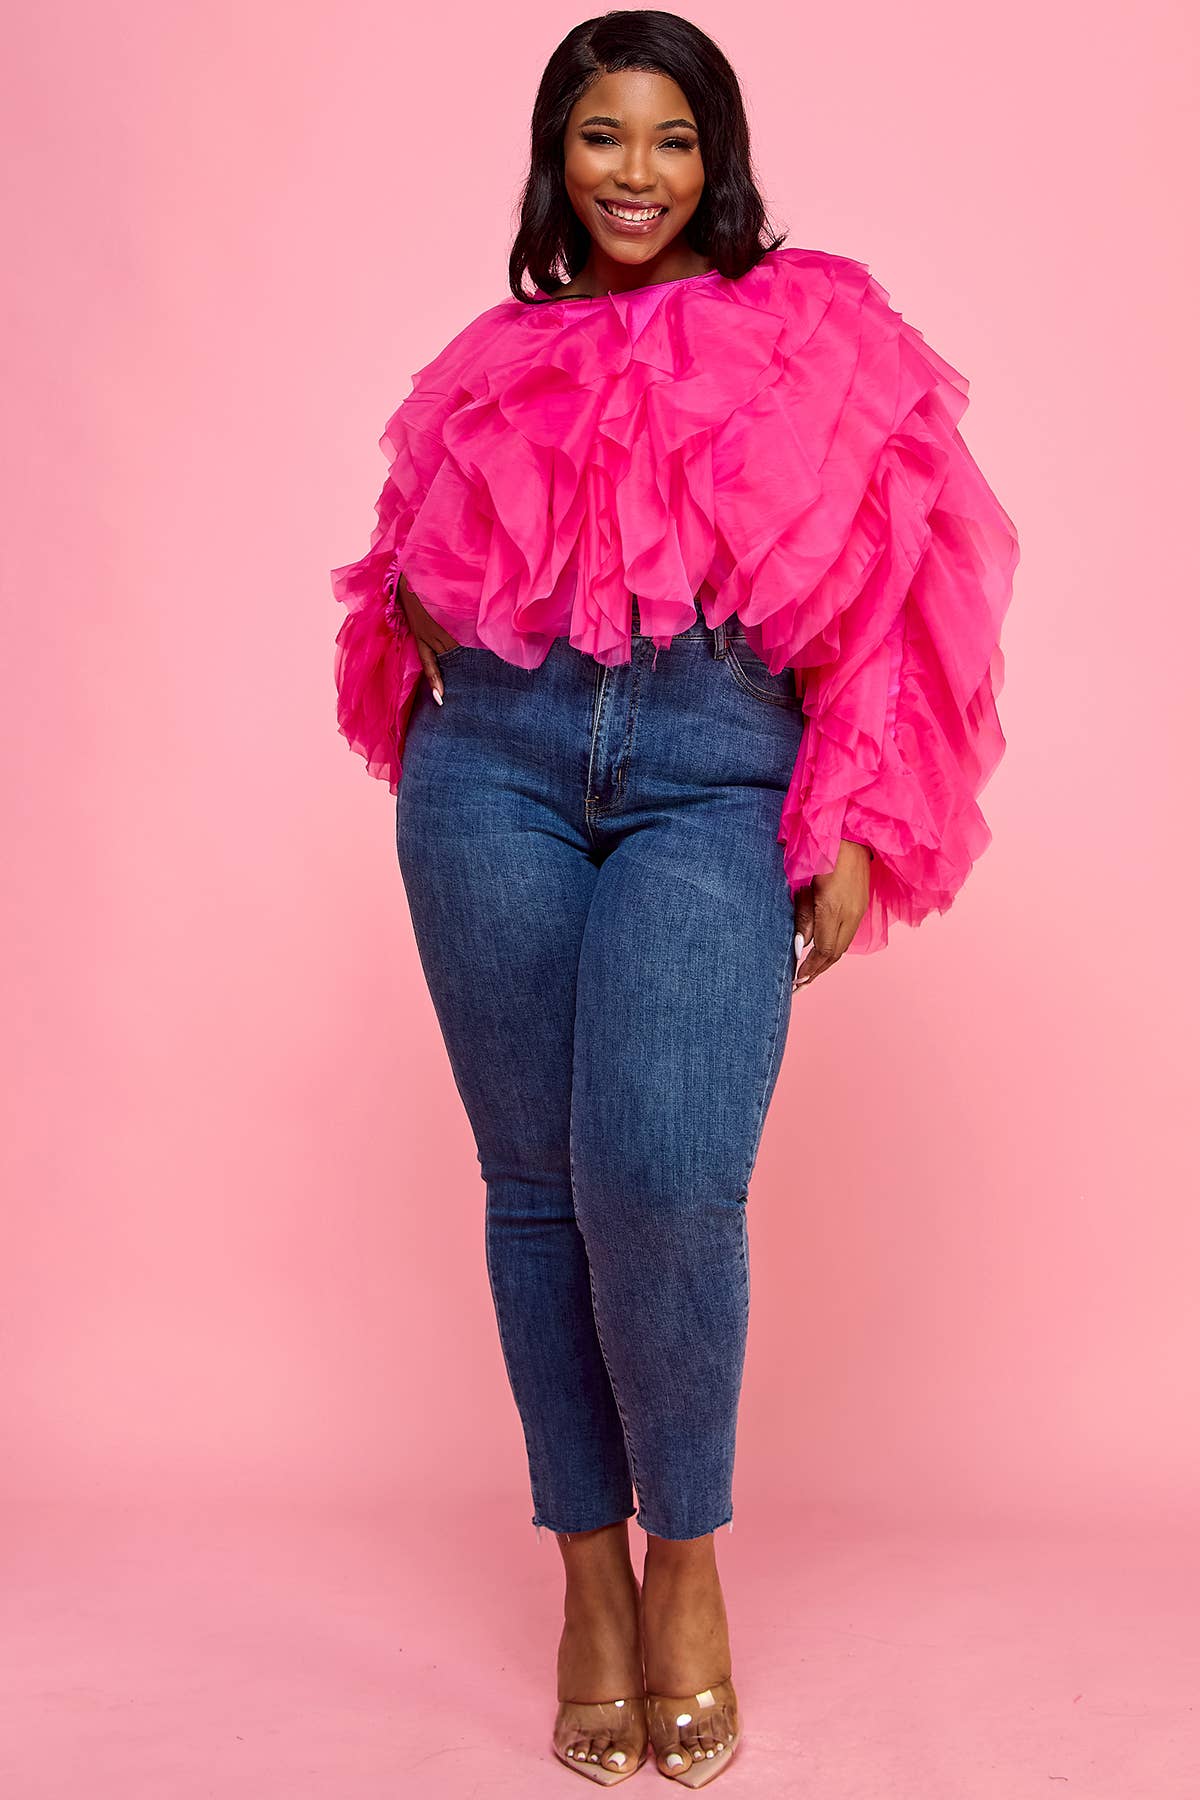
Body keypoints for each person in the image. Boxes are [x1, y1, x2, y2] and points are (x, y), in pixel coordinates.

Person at [330, 13, 1019, 1788]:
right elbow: (413, 552)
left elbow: (896, 581)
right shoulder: (497, 354)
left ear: (717, 159)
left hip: (719, 764)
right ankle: (588, 1581)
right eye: (599, 136)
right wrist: (426, 626)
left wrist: (853, 812)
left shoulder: (819, 329)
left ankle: (687, 1561)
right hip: (494, 761)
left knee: (661, 1171)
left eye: (670, 139)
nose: (633, 174)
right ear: (554, 157)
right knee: (534, 1188)